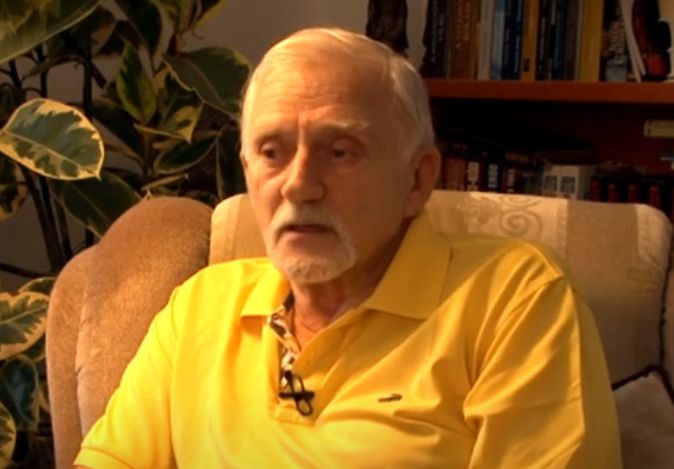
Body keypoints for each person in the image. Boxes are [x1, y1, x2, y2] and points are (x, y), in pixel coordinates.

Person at [75, 27, 621, 468]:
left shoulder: (515, 298)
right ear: (247, 171)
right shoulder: (199, 306)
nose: (298, 185)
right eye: (272, 152)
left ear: (417, 180)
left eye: (340, 151)